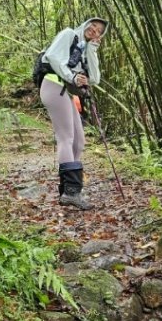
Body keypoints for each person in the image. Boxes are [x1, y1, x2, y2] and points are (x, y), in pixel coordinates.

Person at [40, 17, 108, 209]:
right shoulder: (69, 34)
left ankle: (69, 189)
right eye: (93, 26)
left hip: (65, 92)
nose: (94, 31)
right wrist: (72, 77)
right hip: (53, 85)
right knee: (66, 138)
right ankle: (72, 192)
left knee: (79, 141)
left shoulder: (85, 51)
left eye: (99, 31)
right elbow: (53, 57)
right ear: (86, 25)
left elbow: (94, 79)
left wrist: (93, 49)